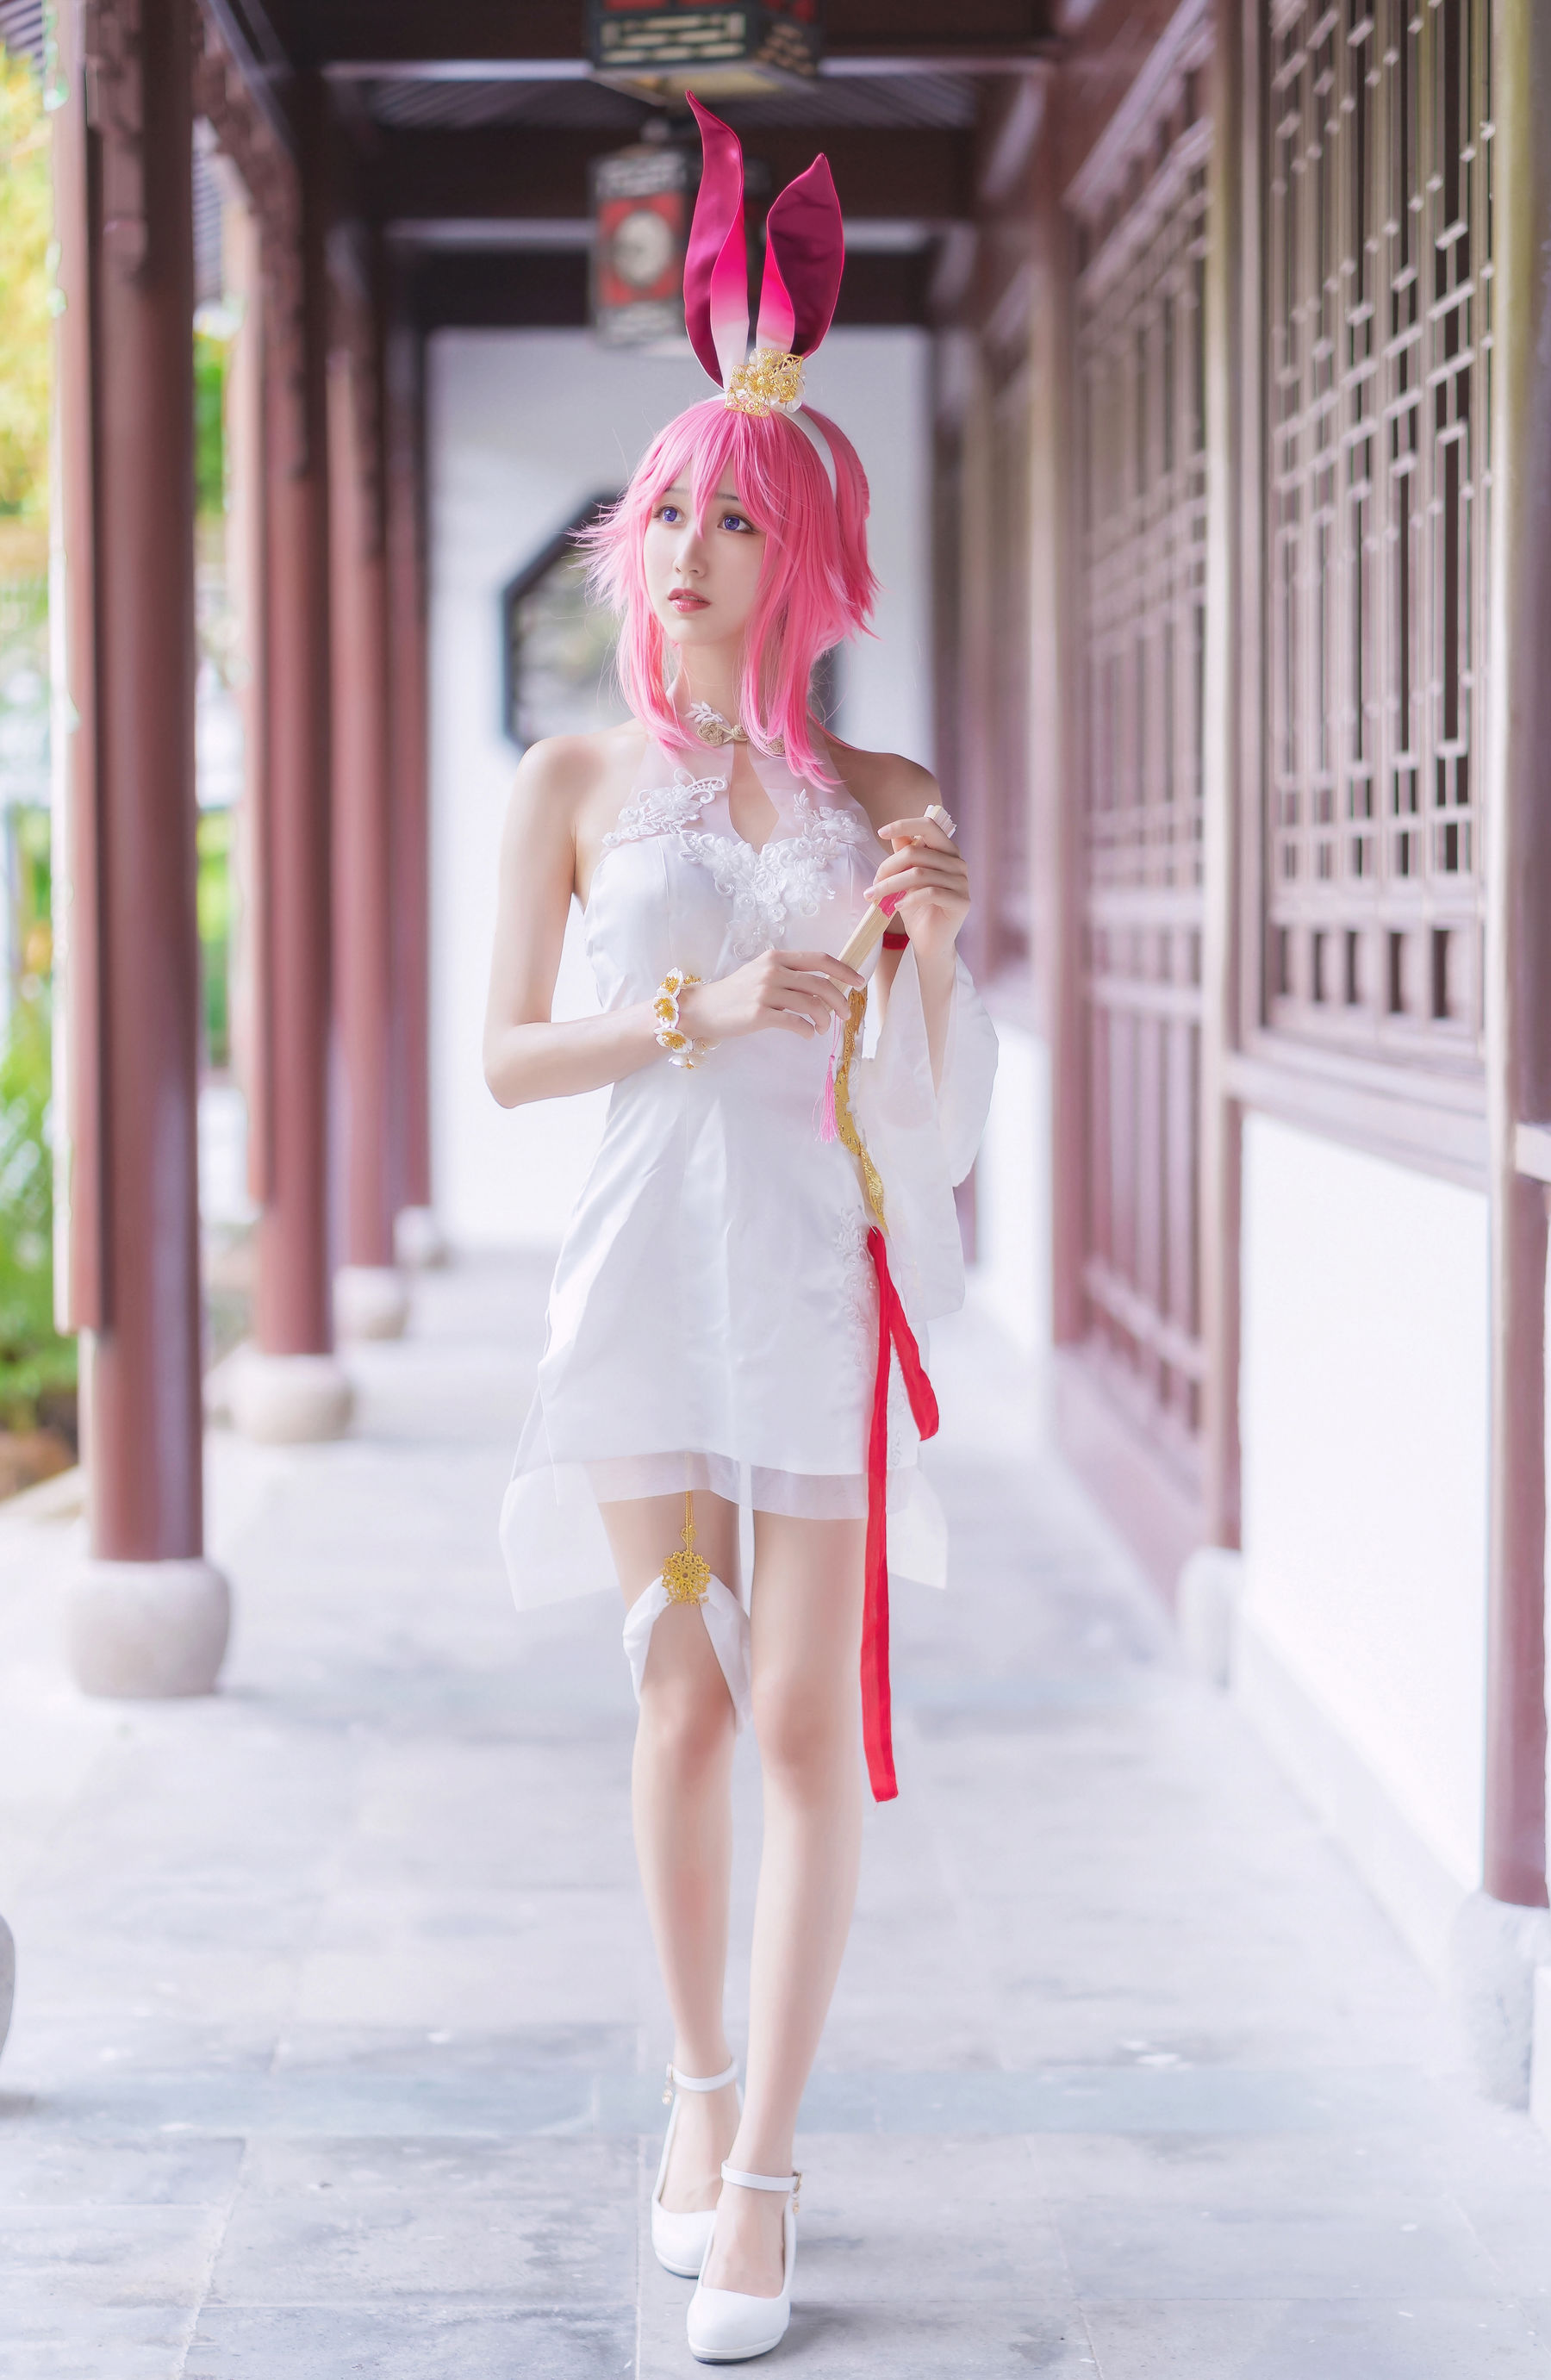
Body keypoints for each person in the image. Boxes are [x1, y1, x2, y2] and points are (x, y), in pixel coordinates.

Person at [483, 97, 997, 2364]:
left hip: (803, 1281)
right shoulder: (574, 784)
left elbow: (931, 1111)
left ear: (809, 555)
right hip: (634, 1284)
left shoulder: (886, 800)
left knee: (800, 1715)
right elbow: (511, 1059)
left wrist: (931, 952)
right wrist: (693, 1011)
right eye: (669, 511)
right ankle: (693, 2097)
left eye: (734, 518)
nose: (686, 549)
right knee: (678, 1700)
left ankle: (767, 2172)